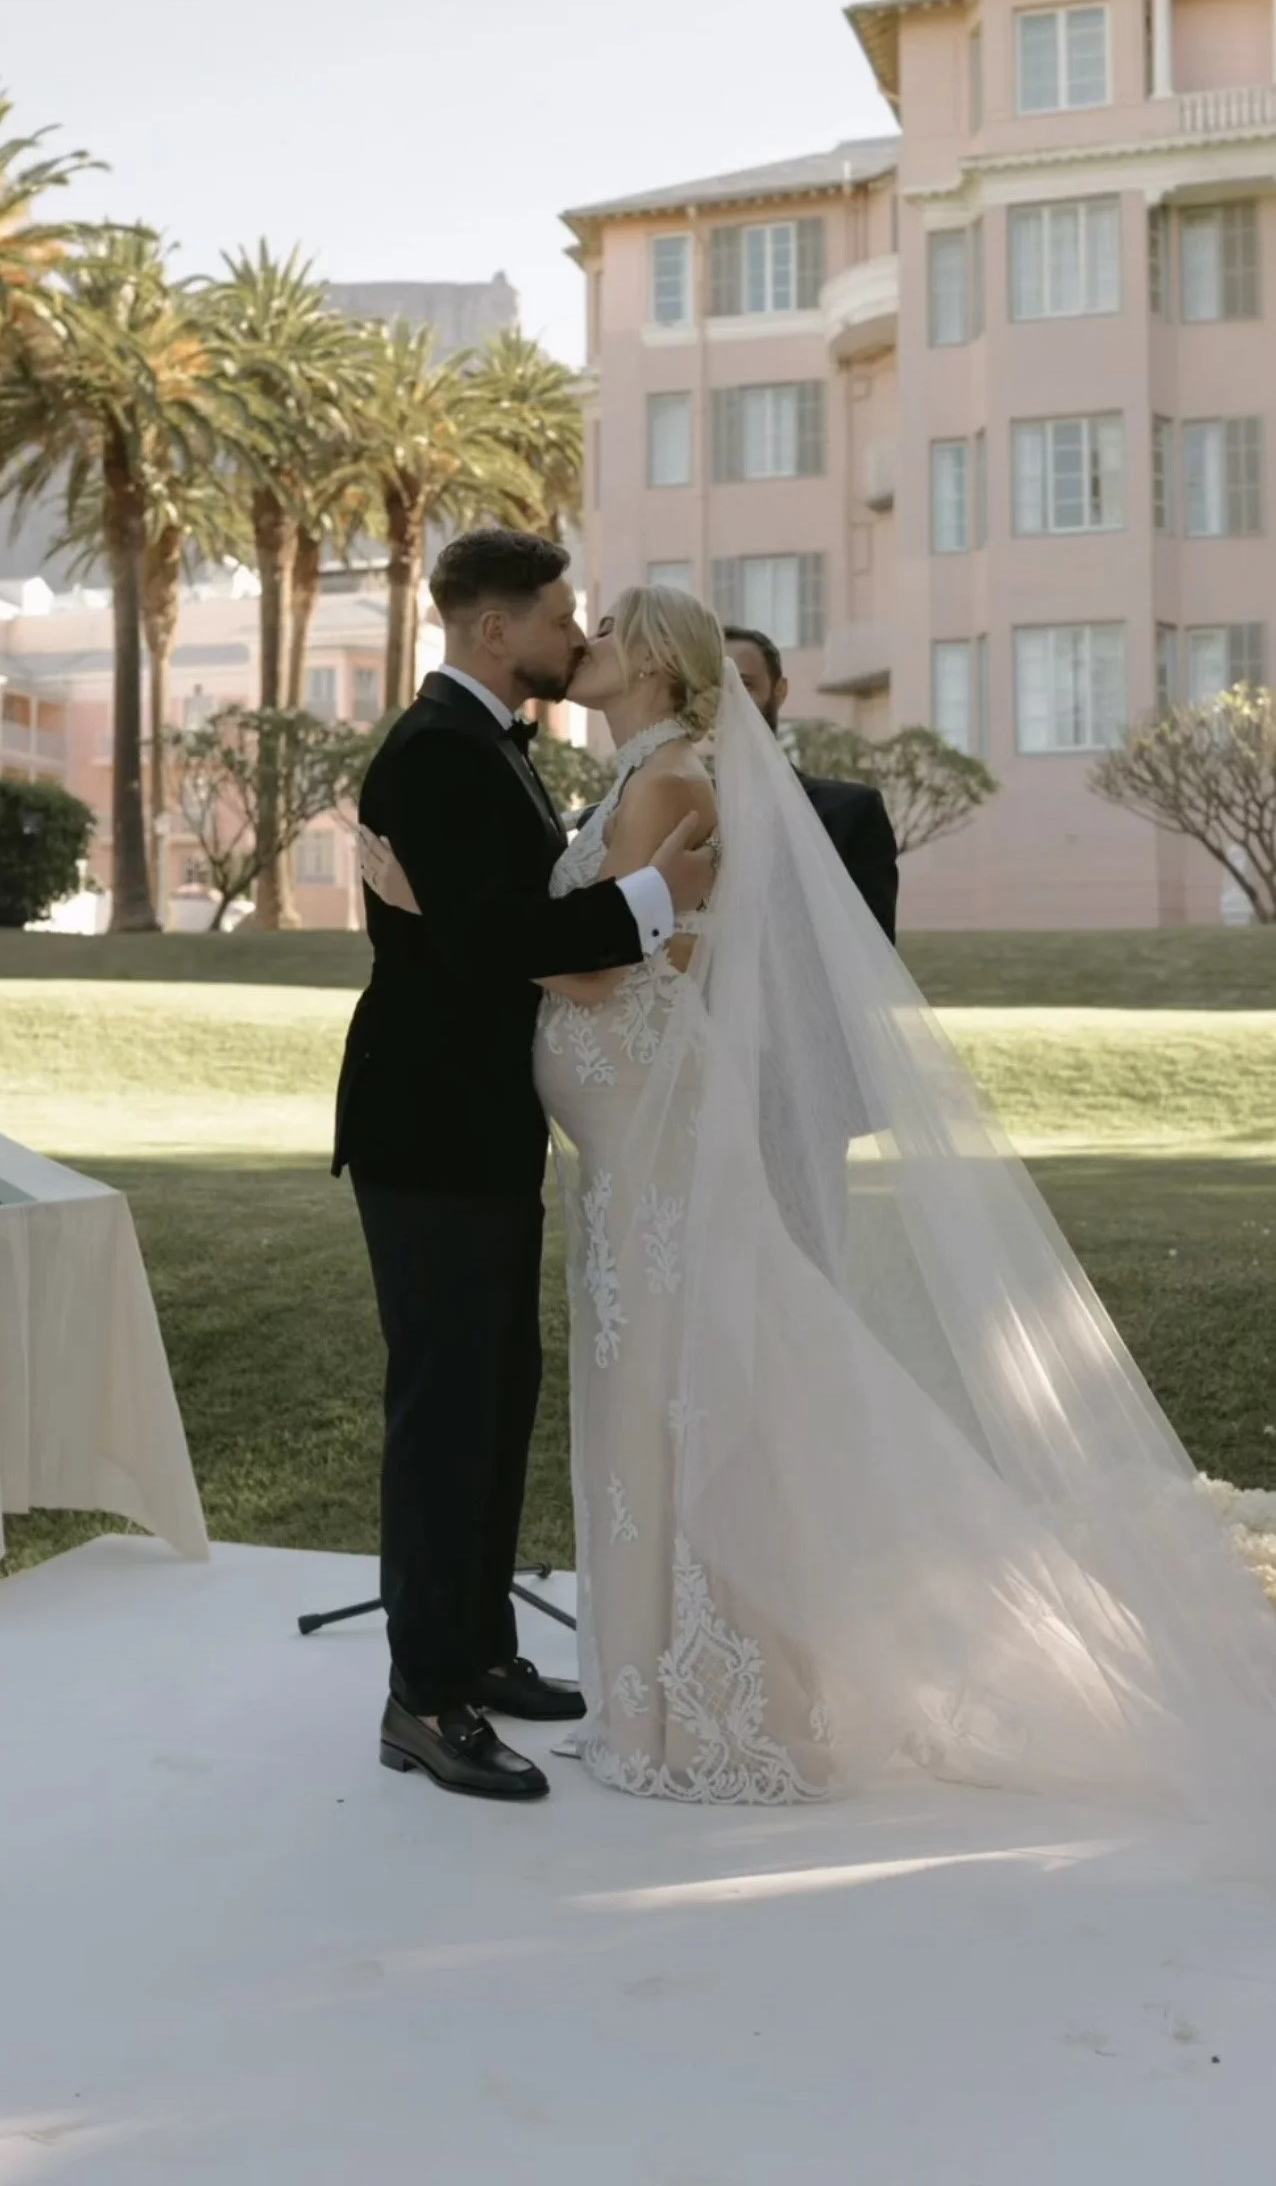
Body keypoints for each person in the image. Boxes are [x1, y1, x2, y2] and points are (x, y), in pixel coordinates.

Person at [362, 583, 1276, 1823]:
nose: (586, 643)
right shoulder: (643, 768)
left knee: (692, 1398)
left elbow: (594, 968)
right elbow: (623, 940)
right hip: (626, 1155)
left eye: (611, 632)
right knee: (671, 1400)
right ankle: (657, 1684)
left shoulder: (670, 781)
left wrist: (447, 918)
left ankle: (717, 1697)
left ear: (662, 667)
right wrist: (497, 923)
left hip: (651, 1149)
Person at [336, 530, 715, 1803]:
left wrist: (444, 916)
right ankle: (424, 1697)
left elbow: (476, 921)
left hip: (481, 1134)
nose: (577, 632)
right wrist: (661, 898)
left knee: (496, 1399)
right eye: (562, 614)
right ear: (496, 628)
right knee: (447, 1416)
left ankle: (483, 1652)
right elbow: (506, 940)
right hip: (431, 1137)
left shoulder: (487, 741)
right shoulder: (440, 750)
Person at [724, 624, 899, 942]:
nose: (728, 700)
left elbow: (873, 952)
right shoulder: (676, 808)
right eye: (712, 688)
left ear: (780, 691)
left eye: (744, 684)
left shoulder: (852, 812)